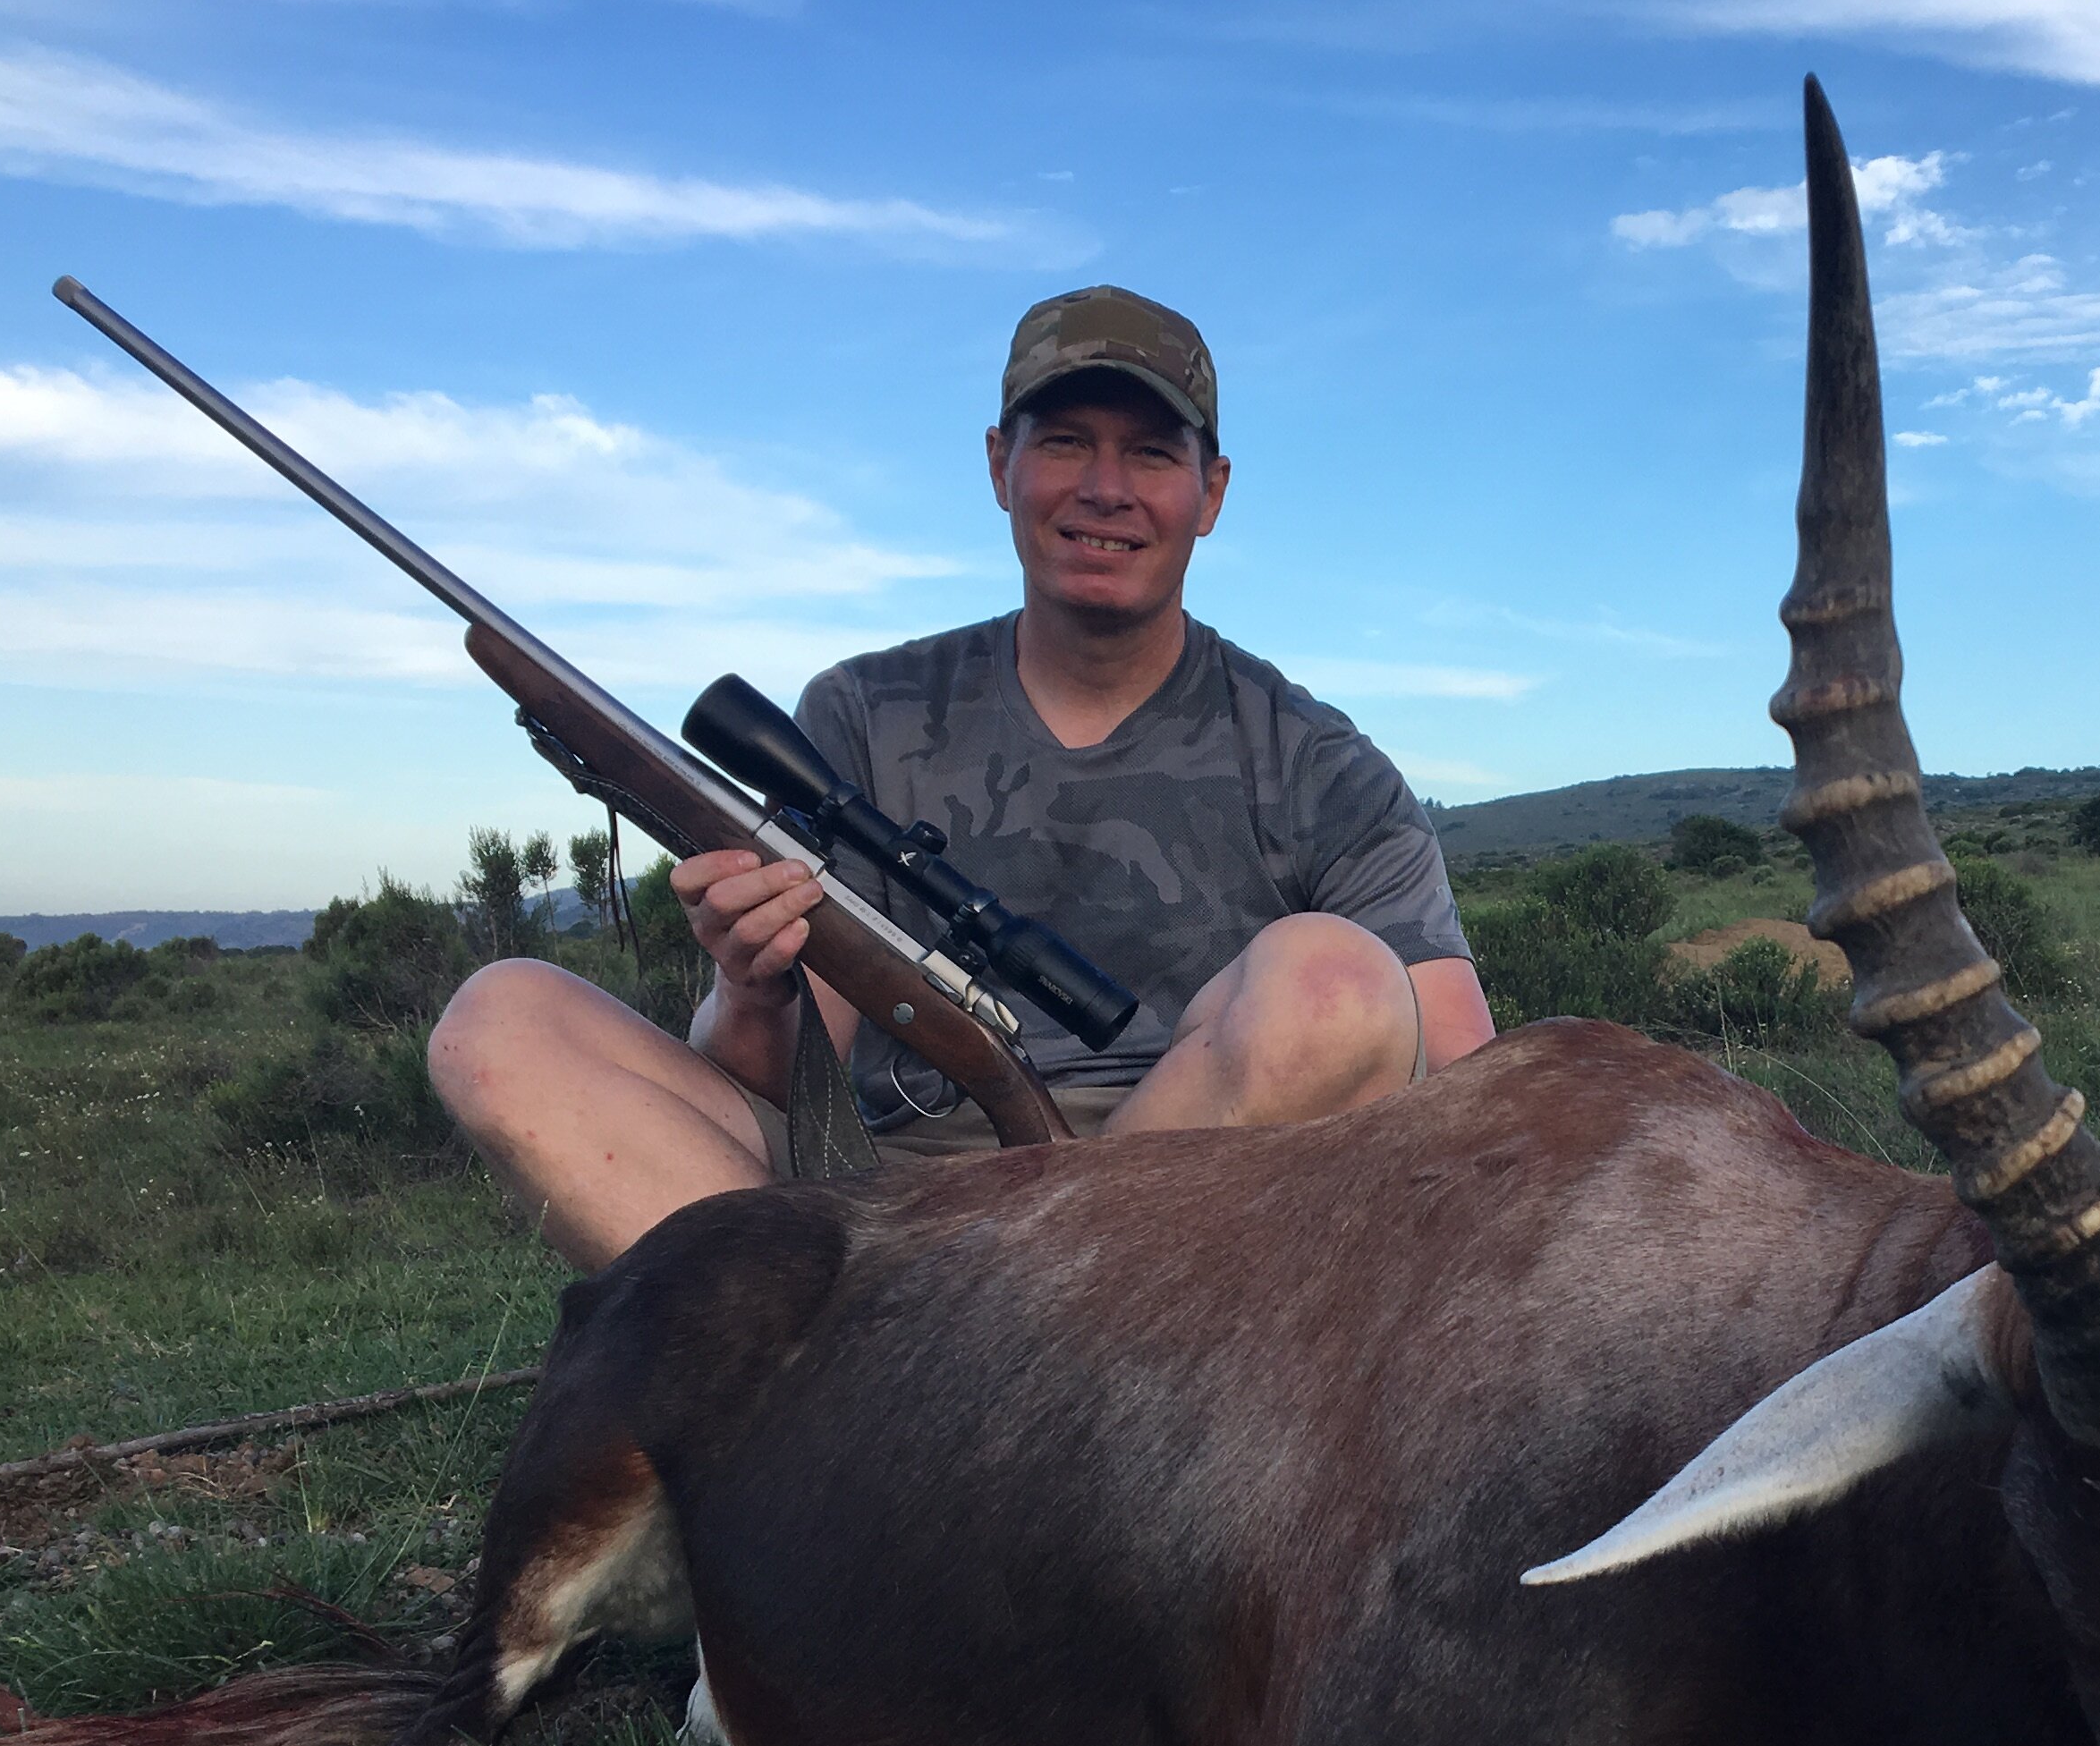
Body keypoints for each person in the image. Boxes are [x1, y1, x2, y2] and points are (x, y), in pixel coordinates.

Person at [430, 285, 1493, 1270]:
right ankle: (881, 1387)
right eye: (1066, 443)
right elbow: (774, 1079)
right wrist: (752, 988)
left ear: (1210, 493)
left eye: (1153, 455)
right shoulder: (858, 716)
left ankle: (896, 1384)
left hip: (1190, 1224)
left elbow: (1466, 1081)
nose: (1107, 489)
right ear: (999, 465)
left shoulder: (1319, 761)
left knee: (1337, 984)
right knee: (502, 1021)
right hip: (889, 1202)